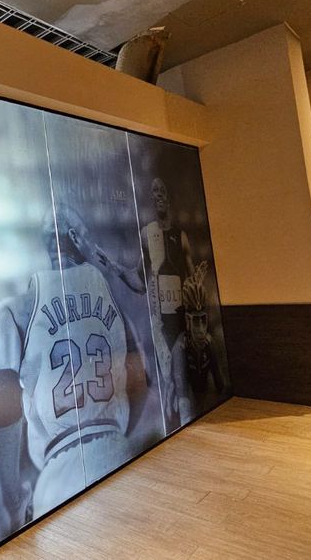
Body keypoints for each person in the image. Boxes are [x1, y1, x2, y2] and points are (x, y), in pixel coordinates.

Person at [0, 204, 151, 532]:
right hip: (116, 447)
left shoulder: (19, 307)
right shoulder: (110, 296)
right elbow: (139, 377)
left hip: (59, 469)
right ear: (75, 237)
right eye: (88, 235)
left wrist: (12, 495)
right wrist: (119, 440)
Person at [139, 177, 194, 430]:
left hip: (178, 320)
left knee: (181, 379)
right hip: (158, 321)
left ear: (168, 198)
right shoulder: (146, 235)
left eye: (162, 190)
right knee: (164, 383)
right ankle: (169, 430)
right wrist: (116, 269)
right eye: (154, 191)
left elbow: (193, 281)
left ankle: (188, 425)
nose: (158, 195)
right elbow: (139, 277)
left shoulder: (180, 236)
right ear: (151, 199)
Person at [171, 262, 224, 424]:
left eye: (203, 320)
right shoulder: (180, 348)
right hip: (182, 406)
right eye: (195, 321)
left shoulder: (209, 343)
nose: (201, 329)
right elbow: (182, 393)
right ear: (188, 321)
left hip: (203, 403)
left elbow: (219, 382)